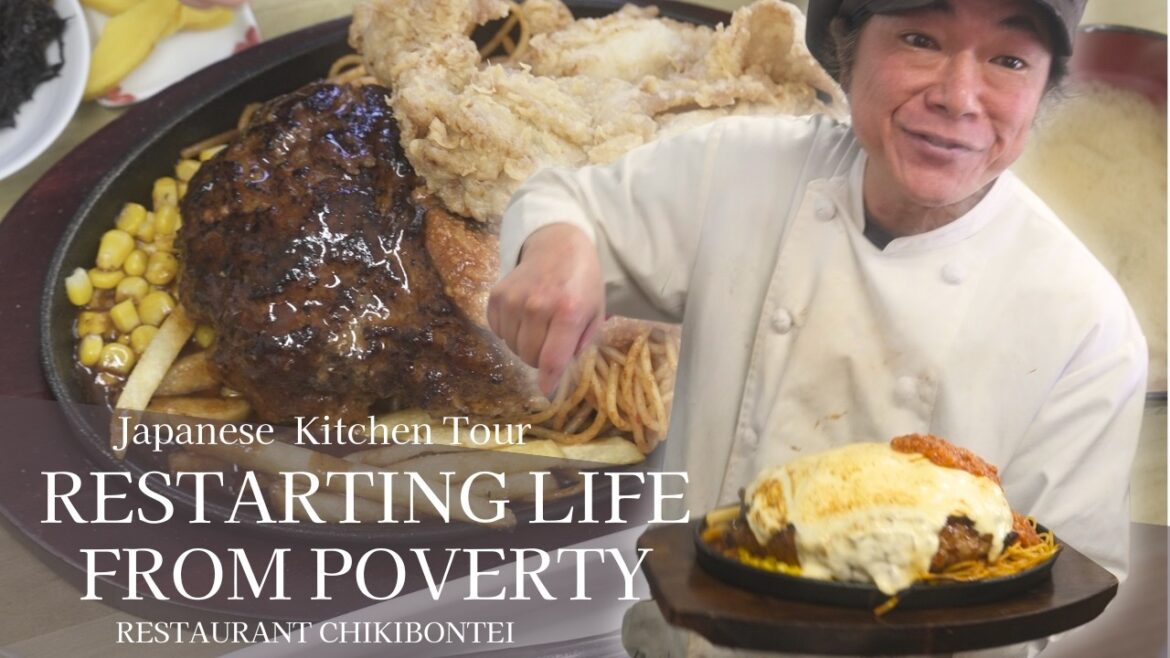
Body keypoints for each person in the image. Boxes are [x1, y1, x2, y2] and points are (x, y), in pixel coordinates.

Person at [488, 0, 1148, 655]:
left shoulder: (1087, 328)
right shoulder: (742, 170)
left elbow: (1049, 594)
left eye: (1008, 59)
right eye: (920, 38)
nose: (958, 97)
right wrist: (557, 245)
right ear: (847, 47)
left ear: (1043, 90)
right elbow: (568, 201)